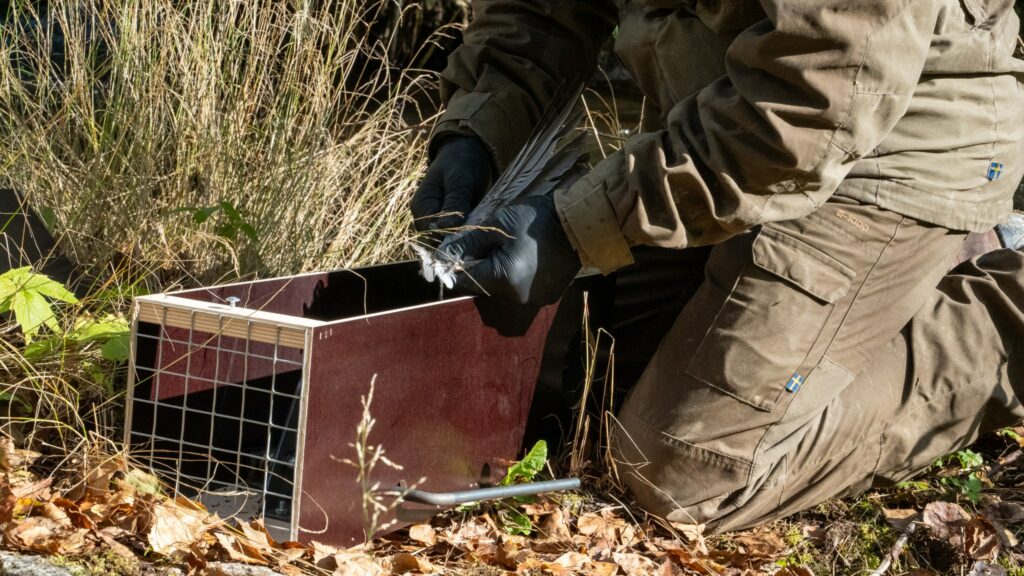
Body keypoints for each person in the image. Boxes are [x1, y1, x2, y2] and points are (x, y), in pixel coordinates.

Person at [411, 0, 1024, 532]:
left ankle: (1003, 317)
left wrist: (576, 228)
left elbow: (815, 96)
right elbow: (541, 13)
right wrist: (479, 130)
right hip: (714, 128)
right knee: (583, 400)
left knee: (681, 469)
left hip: (888, 153)